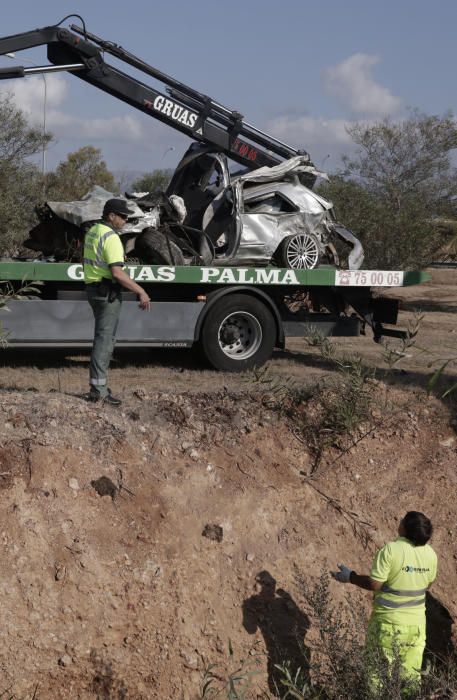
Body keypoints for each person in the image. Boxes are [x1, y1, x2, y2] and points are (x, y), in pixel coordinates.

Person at [331, 511, 437, 688]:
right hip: (416, 627)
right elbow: (427, 584)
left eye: (403, 519)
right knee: (410, 679)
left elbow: (374, 584)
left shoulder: (391, 551)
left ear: (405, 528)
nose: (400, 520)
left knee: (376, 676)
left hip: (387, 625)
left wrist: (351, 576)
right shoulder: (431, 554)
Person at [84, 198, 151, 406]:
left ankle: (99, 387)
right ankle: (99, 391)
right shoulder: (111, 237)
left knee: (102, 338)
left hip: (93, 289)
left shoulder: (93, 231)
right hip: (106, 293)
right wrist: (141, 291)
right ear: (110, 216)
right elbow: (117, 273)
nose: (125, 221)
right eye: (122, 216)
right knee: (104, 342)